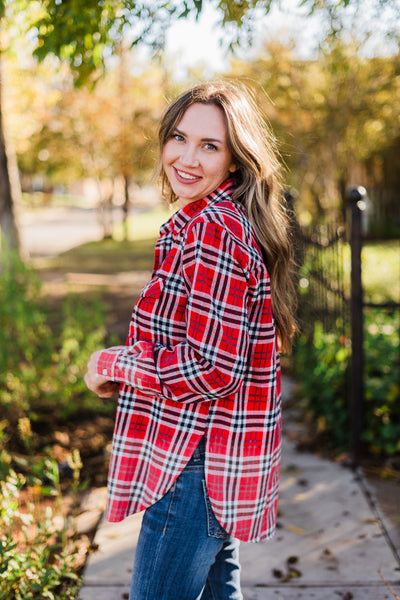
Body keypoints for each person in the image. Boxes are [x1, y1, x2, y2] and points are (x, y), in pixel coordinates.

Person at [84, 80, 297, 600]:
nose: (186, 157)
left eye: (209, 145)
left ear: (235, 160)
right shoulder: (211, 221)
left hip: (194, 461)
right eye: (178, 137)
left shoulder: (212, 232)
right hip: (212, 457)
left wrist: (113, 363)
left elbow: (211, 370)